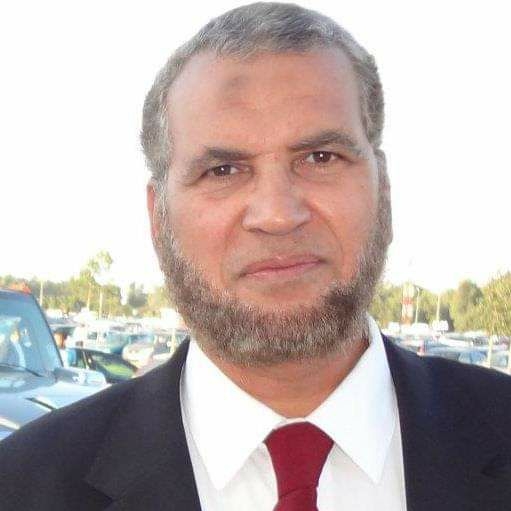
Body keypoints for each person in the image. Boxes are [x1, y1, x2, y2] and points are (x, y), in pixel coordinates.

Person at [1, 3, 510, 510]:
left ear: (384, 194)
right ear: (158, 218)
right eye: (223, 170)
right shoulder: (22, 486)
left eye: (320, 158)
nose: (277, 214)